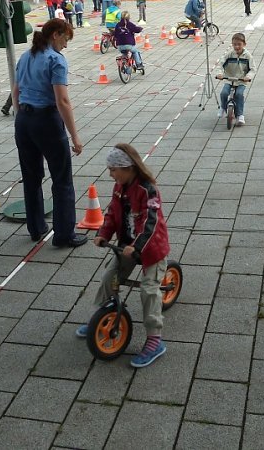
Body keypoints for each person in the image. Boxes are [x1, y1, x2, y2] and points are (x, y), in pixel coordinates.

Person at [75, 144, 171, 368]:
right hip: (127, 246)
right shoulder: (119, 188)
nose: (110, 174)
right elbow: (111, 213)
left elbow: (151, 222)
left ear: (127, 168)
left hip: (150, 248)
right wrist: (103, 233)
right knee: (109, 277)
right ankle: (104, 315)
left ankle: (155, 340)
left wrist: (137, 245)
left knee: (149, 290)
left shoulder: (149, 190)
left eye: (113, 169)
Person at [12, 19, 86, 248]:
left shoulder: (26, 56)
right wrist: (75, 136)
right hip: (47, 122)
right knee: (62, 179)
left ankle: (36, 228)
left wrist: (20, 116)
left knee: (31, 178)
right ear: (56, 35)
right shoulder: (56, 60)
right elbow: (62, 100)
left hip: (24, 121)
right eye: (66, 39)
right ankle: (64, 234)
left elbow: (16, 91)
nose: (66, 45)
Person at [216, 32, 254, 126]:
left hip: (241, 80)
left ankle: (240, 115)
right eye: (234, 44)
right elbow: (220, 64)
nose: (237, 47)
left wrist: (248, 77)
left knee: (239, 94)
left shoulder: (248, 56)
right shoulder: (229, 54)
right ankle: (223, 107)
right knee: (224, 93)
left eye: (239, 44)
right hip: (229, 79)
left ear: (244, 44)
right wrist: (220, 74)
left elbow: (253, 69)